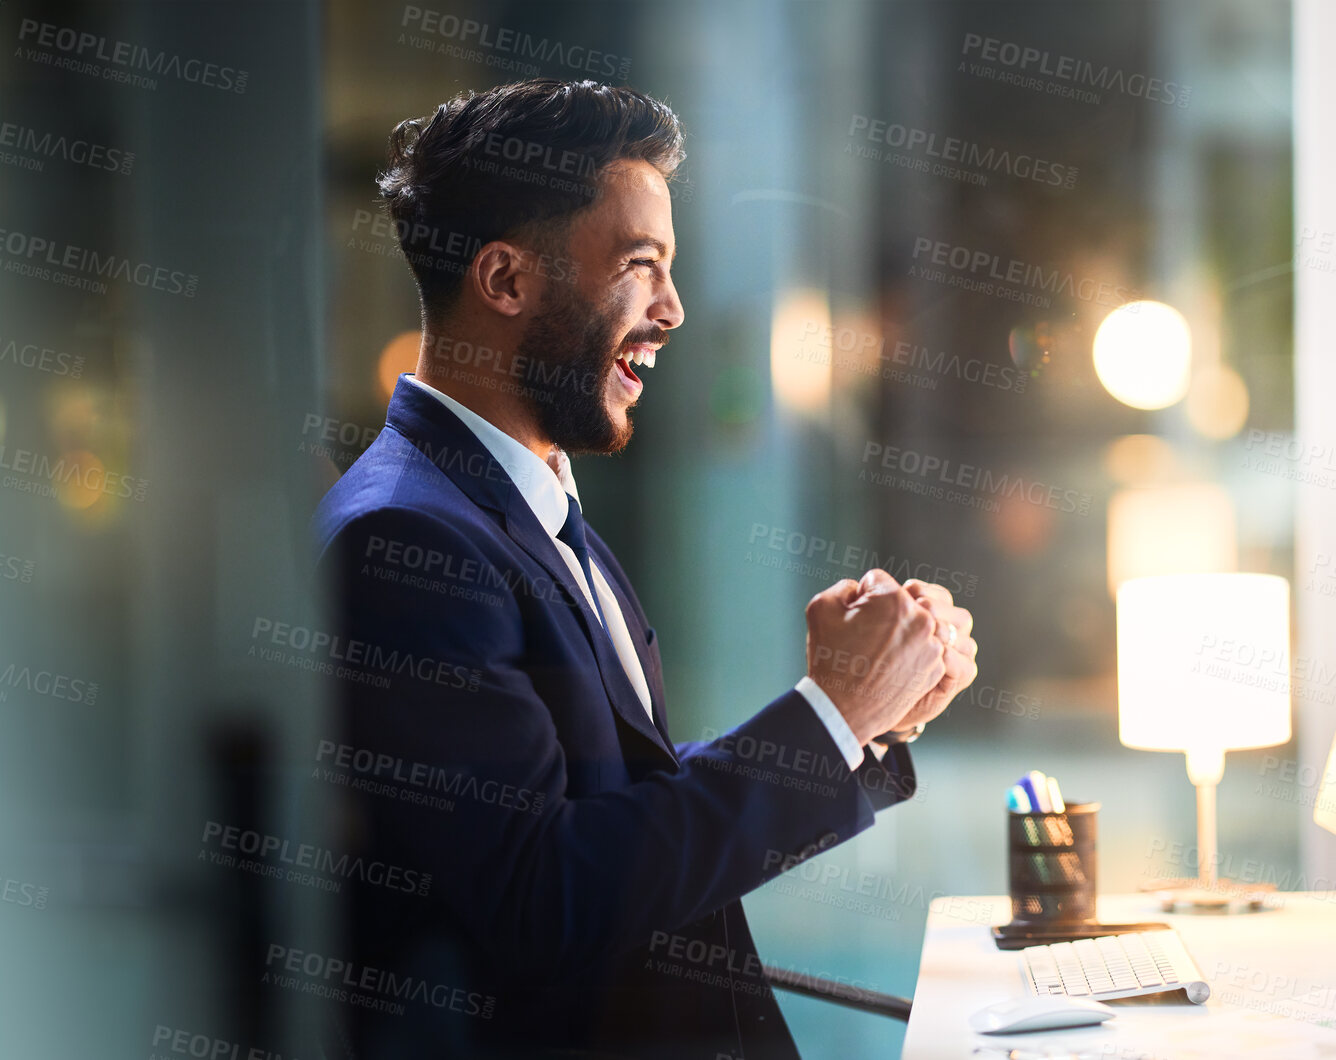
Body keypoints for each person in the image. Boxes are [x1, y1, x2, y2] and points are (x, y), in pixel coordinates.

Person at [311, 78, 977, 1059]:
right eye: (639, 265)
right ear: (505, 281)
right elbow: (541, 899)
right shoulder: (407, 540)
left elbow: (620, 817)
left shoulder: (524, 501)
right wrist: (827, 713)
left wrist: (867, 711)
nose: (670, 309)